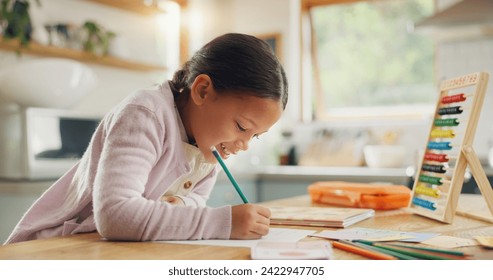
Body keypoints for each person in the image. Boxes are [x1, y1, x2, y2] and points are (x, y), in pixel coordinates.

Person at [5, 33, 288, 244]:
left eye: (256, 136)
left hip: (108, 250)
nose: (244, 144)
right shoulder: (145, 113)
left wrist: (178, 209)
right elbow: (116, 215)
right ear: (202, 90)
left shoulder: (208, 147)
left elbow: (195, 203)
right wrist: (221, 222)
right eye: (241, 126)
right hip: (52, 248)